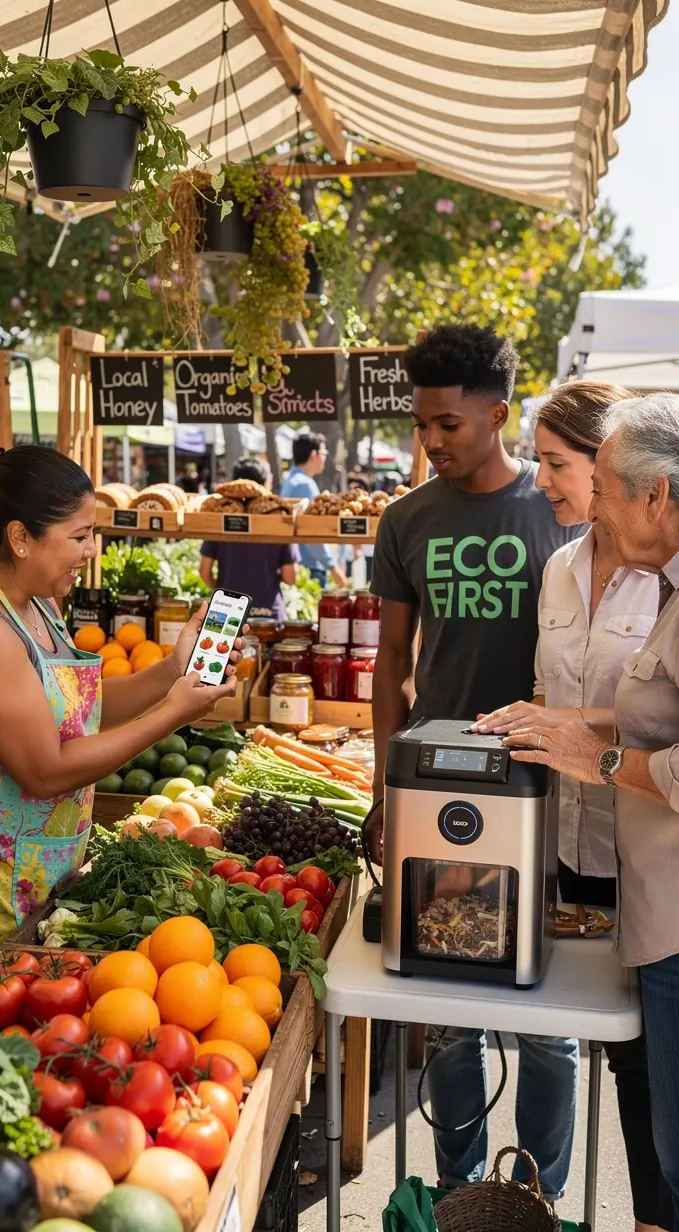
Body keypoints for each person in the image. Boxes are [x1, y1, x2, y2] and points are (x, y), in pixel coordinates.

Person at [0, 440, 242, 995]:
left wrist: (172, 671)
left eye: (92, 533)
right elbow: (45, 770)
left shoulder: (35, 604)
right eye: (79, 536)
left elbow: (83, 712)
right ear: (21, 538)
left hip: (13, 861)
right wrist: (173, 714)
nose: (91, 551)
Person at [369, 324, 581, 1202]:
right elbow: (390, 662)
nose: (432, 442)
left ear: (497, 414)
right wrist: (383, 786)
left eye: (449, 424)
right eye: (422, 425)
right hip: (435, 793)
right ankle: (461, 1199)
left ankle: (536, 1200)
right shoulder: (406, 519)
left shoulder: (558, 510)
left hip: (547, 795)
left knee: (547, 1025)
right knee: (451, 1020)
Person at [475, 381, 669, 1232]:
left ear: (624, 476)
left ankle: (649, 1211)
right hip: (568, 845)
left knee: (644, 1068)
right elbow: (581, 700)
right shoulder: (560, 567)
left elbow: (635, 730)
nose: (543, 481)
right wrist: (545, 723)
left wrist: (596, 748)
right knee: (558, 1034)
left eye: (557, 464)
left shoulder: (660, 576)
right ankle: (534, 1203)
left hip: (649, 870)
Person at [200, 456, 298, 619]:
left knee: (224, 645)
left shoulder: (221, 518)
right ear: (266, 484)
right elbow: (290, 576)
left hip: (226, 610)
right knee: (271, 646)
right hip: (268, 612)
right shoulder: (279, 519)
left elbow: (204, 571)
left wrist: (220, 589)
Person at [281, 431, 346, 587]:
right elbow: (311, 531)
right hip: (309, 567)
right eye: (323, 453)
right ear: (314, 454)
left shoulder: (291, 480)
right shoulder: (304, 485)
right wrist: (333, 566)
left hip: (299, 564)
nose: (325, 458)